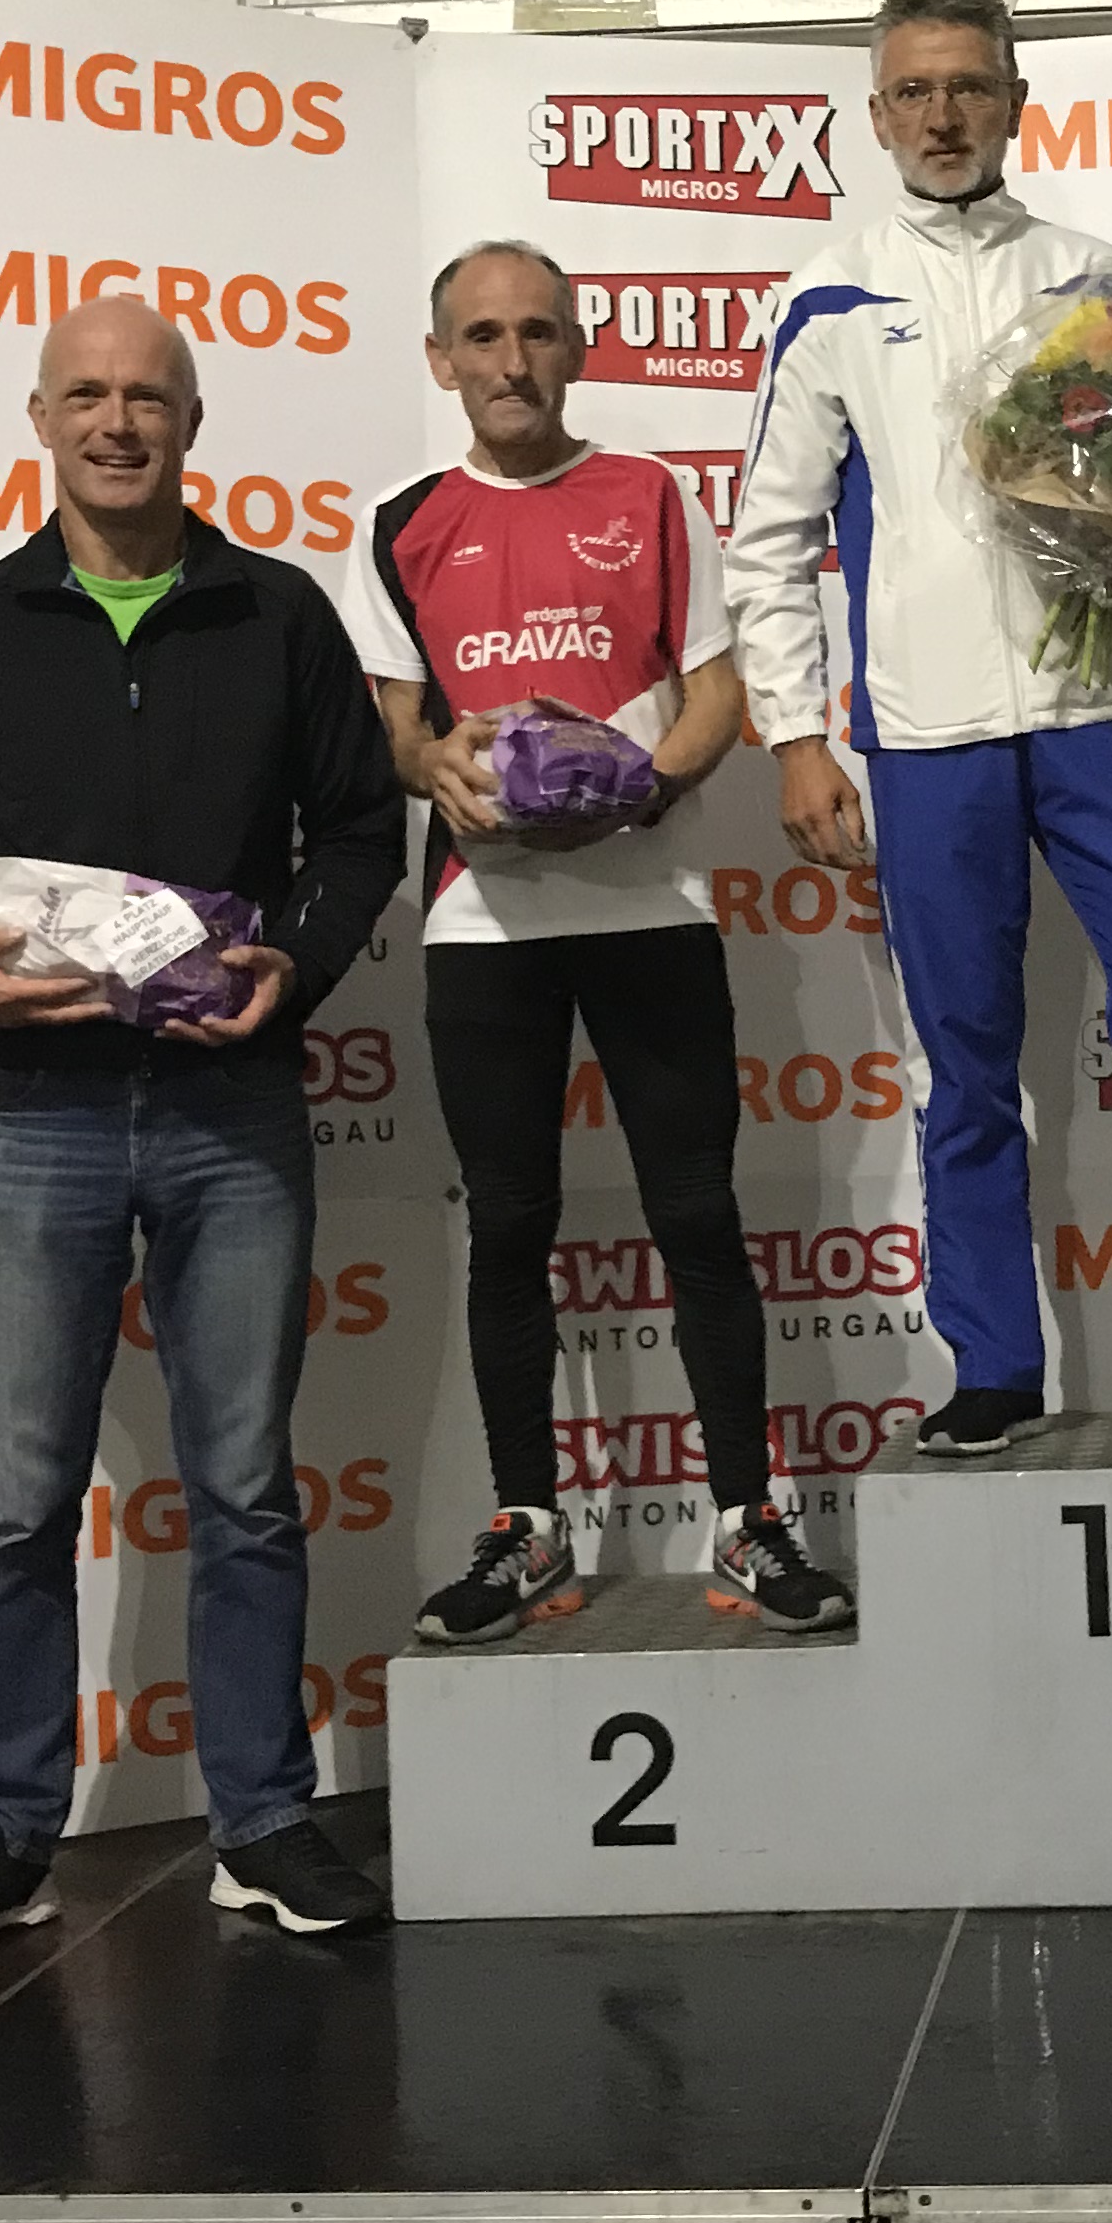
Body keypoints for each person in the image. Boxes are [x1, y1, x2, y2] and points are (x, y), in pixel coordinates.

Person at [0, 297, 408, 1971]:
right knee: (17, 1502)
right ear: (40, 418)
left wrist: (298, 964)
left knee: (247, 1489)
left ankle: (263, 1821)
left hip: (232, 1106)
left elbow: (360, 832)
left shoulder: (276, 613)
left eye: (148, 396)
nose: (118, 422)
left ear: (192, 423)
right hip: (37, 1116)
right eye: (86, 394)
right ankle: (1, 1836)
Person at [725, 0, 1112, 1463]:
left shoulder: (1097, 283)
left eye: (969, 86)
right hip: (925, 738)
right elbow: (768, 540)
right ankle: (991, 1365)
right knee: (962, 1069)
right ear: (875, 116)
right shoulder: (829, 295)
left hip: (1104, 713)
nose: (943, 116)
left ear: (1017, 102)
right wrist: (796, 733)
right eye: (914, 92)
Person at [369, 240, 853, 1642]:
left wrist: (641, 788)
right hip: (482, 921)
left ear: (577, 349)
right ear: (441, 359)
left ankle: (750, 1515)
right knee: (509, 1225)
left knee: (696, 1215)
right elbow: (397, 727)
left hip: (651, 907)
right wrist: (440, 770)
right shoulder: (400, 523)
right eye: (481, 335)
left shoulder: (649, 497)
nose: (510, 360)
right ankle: (527, 1523)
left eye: (537, 332)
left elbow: (718, 692)